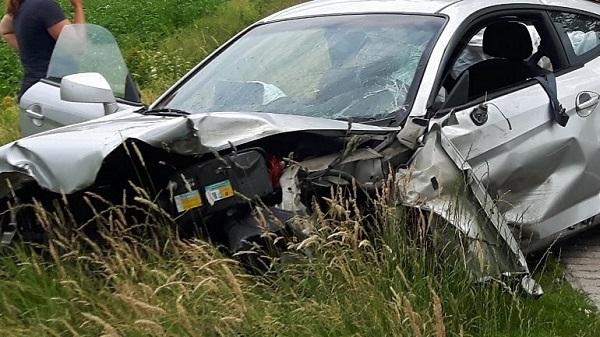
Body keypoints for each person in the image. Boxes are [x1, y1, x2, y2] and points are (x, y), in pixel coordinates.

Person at [0, 0, 85, 99]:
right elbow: (77, 48)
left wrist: (29, 49)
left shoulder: (21, 4)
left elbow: (5, 30)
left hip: (32, 90)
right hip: (54, 91)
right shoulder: (45, 6)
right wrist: (78, 7)